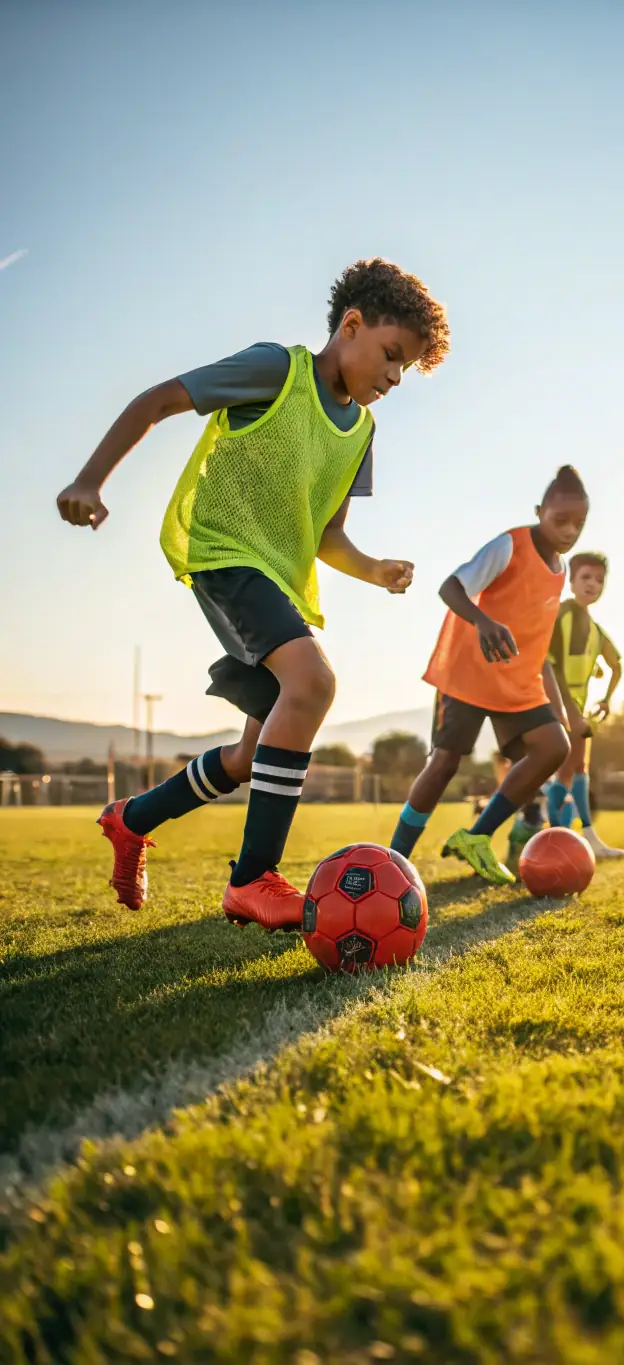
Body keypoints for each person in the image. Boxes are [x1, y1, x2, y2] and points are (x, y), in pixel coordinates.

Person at [56, 259, 449, 928]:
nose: (392, 376)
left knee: (250, 753)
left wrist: (376, 567)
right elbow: (157, 400)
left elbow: (328, 535)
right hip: (224, 554)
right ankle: (252, 879)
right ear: (350, 325)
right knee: (314, 681)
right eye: (389, 354)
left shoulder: (362, 434)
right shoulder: (277, 370)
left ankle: (131, 819)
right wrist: (90, 480)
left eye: (404, 368)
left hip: (279, 581)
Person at [389, 466, 589, 885]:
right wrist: (482, 622)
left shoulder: (560, 569)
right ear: (539, 511)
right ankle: (392, 862)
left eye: (579, 524)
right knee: (444, 764)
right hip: (469, 669)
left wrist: (556, 699)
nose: (570, 531)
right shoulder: (509, 546)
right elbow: (450, 587)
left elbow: (537, 641)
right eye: (561, 521)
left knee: (554, 746)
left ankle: (476, 837)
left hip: (517, 680)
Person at [544, 551, 624, 857]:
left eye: (599, 580)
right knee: (566, 770)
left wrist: (606, 699)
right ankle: (555, 837)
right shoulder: (562, 614)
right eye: (586, 578)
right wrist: (568, 709)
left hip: (579, 707)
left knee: (578, 768)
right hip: (556, 704)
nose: (593, 584)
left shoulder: (595, 629)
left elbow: (617, 666)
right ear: (571, 581)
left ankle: (582, 835)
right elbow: (552, 665)